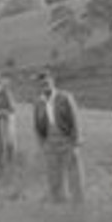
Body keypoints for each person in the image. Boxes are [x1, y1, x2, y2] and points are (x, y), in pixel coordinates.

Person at [32, 70, 84, 206]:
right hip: (50, 143)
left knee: (75, 176)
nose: (44, 85)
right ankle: (58, 205)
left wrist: (77, 142)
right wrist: (41, 144)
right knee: (53, 177)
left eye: (46, 82)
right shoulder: (38, 102)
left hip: (67, 141)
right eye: (41, 83)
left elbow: (75, 120)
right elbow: (37, 126)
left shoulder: (65, 97)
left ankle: (78, 206)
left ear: (52, 81)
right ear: (38, 86)